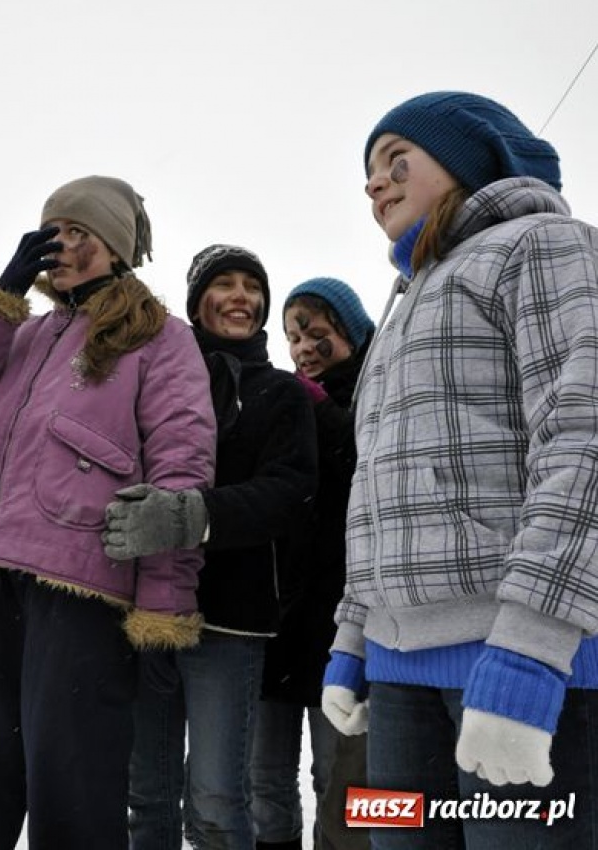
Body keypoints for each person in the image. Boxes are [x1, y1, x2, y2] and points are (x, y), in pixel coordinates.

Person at [322, 91, 598, 848]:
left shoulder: (542, 244)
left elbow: (583, 438)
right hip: (399, 671)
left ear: (469, 157)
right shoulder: (404, 304)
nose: (374, 182)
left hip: (524, 666)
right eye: (368, 171)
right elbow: (378, 487)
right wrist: (353, 638)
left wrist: (529, 648)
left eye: (395, 159)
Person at [0, 176, 217, 850]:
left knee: (72, 793)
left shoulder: (159, 339)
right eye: (54, 231)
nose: (65, 245)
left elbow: (180, 471)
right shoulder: (17, 336)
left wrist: (162, 607)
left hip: (82, 597)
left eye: (82, 232)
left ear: (116, 246)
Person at [103, 243, 319, 850]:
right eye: (225, 284)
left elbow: (290, 492)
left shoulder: (282, 393)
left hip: (233, 619)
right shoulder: (155, 379)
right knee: (146, 794)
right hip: (147, 609)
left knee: (219, 801)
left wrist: (196, 516)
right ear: (198, 303)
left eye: (253, 287)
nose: (241, 298)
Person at [251, 277, 374, 850]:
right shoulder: (286, 399)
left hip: (348, 625)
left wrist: (322, 411)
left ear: (348, 332)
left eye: (317, 334)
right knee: (265, 777)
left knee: (343, 778)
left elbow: (363, 462)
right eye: (293, 337)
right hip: (280, 618)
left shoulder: (379, 387)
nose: (303, 349)